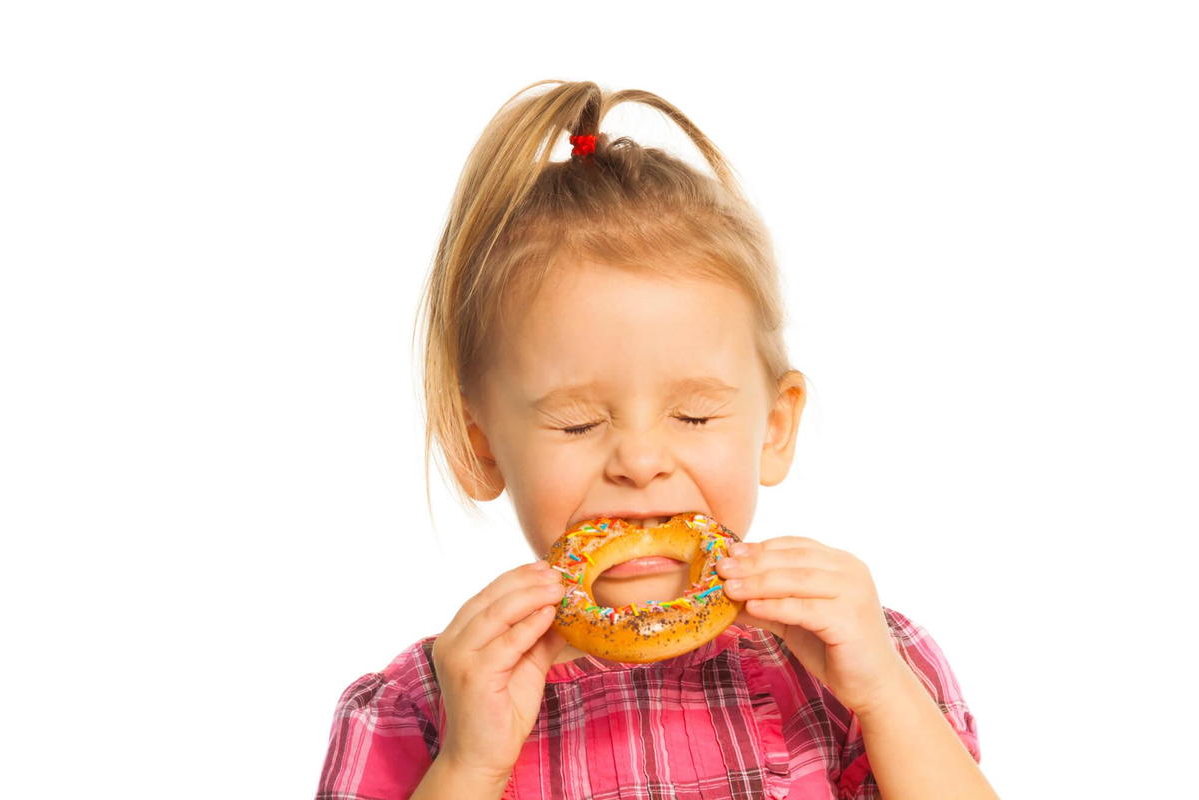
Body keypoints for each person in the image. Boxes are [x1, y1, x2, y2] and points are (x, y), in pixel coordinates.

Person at [315, 80, 997, 800]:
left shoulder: (861, 658)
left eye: (695, 417)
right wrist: (469, 767)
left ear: (773, 426)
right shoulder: (421, 709)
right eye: (578, 423)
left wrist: (886, 697)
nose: (640, 463)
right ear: (479, 447)